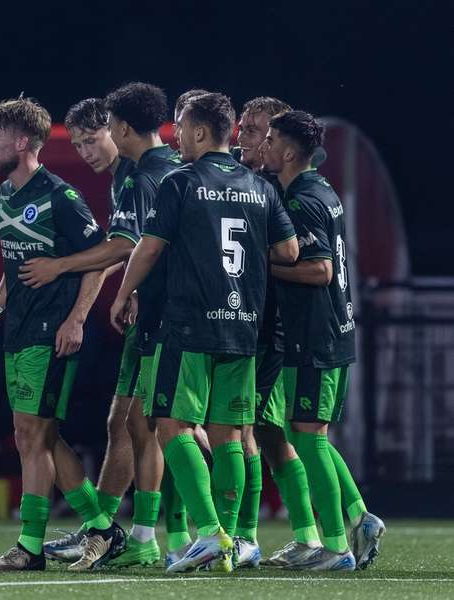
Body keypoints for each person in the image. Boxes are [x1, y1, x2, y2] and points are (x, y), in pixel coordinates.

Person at [111, 92, 298, 574]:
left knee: (170, 424)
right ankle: (233, 540)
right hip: (244, 327)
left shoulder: (181, 181)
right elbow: (290, 251)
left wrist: (122, 293)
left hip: (189, 325)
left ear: (199, 132)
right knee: (230, 434)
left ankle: (210, 533)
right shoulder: (262, 188)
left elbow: (149, 248)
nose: (175, 134)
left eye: (180, 125)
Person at [20, 84, 181, 567]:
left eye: (94, 138)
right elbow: (128, 248)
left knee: (164, 426)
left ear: (117, 130)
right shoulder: (136, 174)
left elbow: (121, 248)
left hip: (168, 315)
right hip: (156, 309)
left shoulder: (140, 176)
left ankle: (160, 535)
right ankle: (111, 529)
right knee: (129, 422)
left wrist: (62, 269)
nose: (87, 150)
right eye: (78, 143)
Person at [0, 96, 124, 572]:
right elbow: (13, 266)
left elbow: (102, 260)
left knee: (31, 435)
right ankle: (101, 527)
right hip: (18, 328)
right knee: (39, 436)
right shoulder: (4, 196)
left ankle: (30, 546)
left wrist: (77, 318)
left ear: (22, 142)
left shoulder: (61, 197)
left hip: (50, 330)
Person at [262, 110, 385, 570]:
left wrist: (263, 266)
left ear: (290, 152)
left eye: (270, 139)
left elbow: (319, 270)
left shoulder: (302, 200)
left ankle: (335, 547)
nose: (266, 146)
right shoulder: (321, 189)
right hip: (326, 333)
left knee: (309, 438)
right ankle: (358, 518)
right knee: (307, 433)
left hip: (317, 336)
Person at [233, 96, 324, 569]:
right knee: (268, 431)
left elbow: (305, 261)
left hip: (266, 328)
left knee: (243, 427)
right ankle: (311, 532)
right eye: (245, 129)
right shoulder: (235, 172)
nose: (246, 139)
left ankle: (243, 536)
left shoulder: (280, 189)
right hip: (244, 323)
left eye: (258, 132)